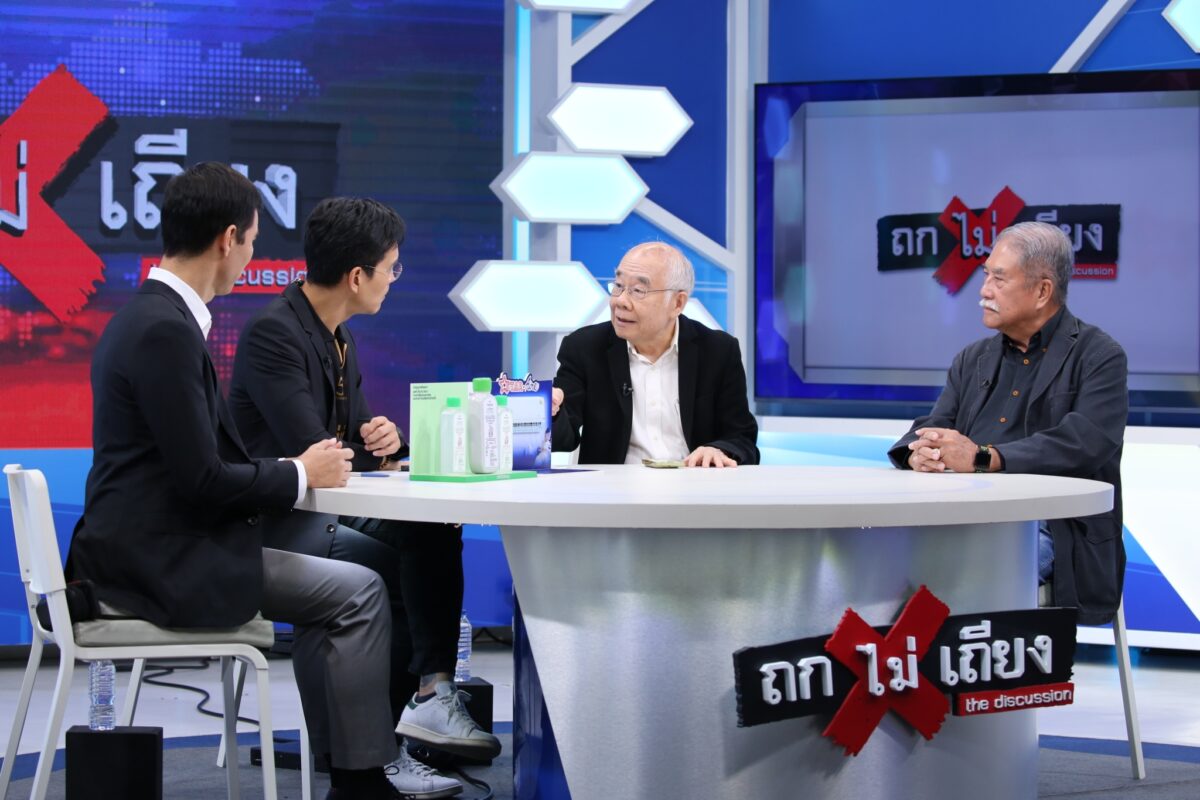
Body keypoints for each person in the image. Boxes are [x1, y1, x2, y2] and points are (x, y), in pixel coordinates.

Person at [65, 163, 405, 800]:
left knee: (361, 575)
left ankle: (356, 767)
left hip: (152, 542)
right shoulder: (165, 331)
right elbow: (202, 480)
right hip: (160, 560)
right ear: (228, 239)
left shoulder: (151, 318)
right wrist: (299, 472)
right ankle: (360, 782)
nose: (251, 256)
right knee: (360, 590)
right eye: (251, 241)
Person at [228, 197, 497, 796]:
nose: (394, 279)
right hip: (271, 520)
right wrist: (362, 449)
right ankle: (372, 756)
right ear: (357, 275)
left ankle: (431, 694)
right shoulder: (276, 333)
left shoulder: (338, 335)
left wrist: (387, 437)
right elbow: (317, 452)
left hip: (321, 510)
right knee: (384, 566)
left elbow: (356, 441)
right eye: (391, 268)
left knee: (431, 528)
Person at [888, 221, 1128, 625]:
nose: (984, 291)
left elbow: (1085, 443)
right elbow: (933, 423)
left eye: (999, 279)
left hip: (1052, 529)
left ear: (1042, 291)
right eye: (986, 276)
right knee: (881, 569)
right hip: (965, 521)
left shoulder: (1099, 356)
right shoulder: (973, 358)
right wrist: (919, 452)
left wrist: (984, 457)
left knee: (954, 585)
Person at [551, 241, 759, 466]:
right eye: (618, 286)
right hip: (614, 485)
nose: (620, 301)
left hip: (695, 483)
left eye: (638, 291)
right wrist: (550, 411)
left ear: (677, 303)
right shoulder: (585, 348)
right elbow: (563, 438)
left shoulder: (718, 351)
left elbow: (742, 438)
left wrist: (719, 450)